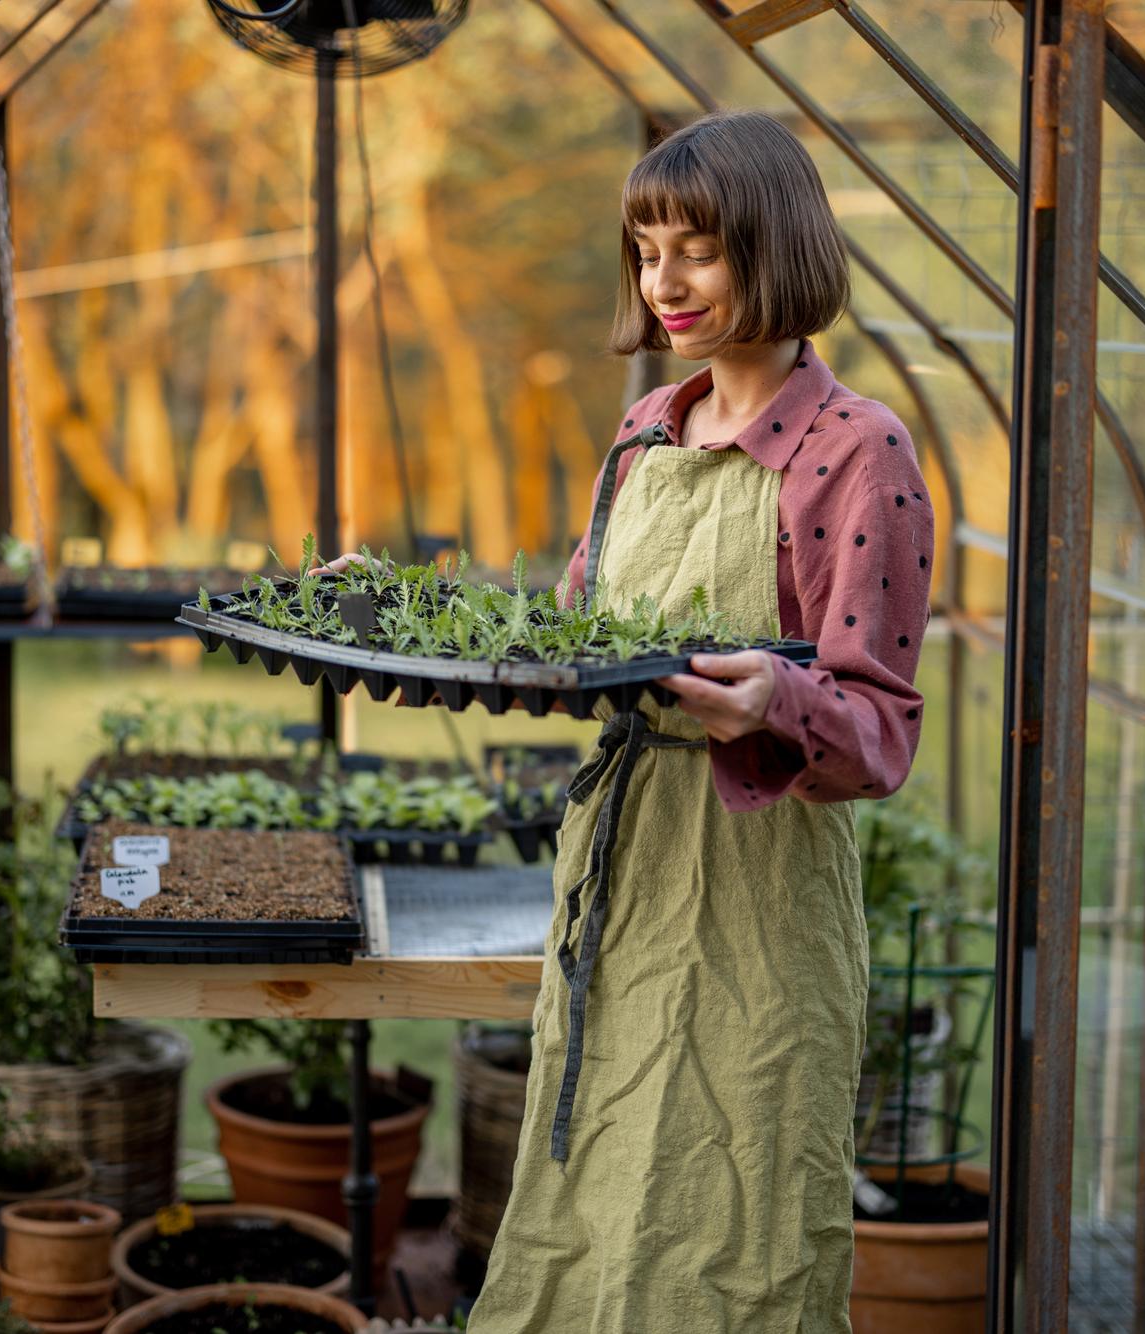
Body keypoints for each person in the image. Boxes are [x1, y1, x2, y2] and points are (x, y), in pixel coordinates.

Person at [332, 108, 932, 1331]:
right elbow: (568, 644)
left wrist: (776, 698)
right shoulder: (643, 429)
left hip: (756, 880)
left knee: (735, 1211)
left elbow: (881, 729)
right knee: (588, 1191)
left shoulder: (853, 448)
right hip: (621, 867)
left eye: (696, 248)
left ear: (774, 244)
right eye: (645, 248)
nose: (663, 281)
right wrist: (399, 610)